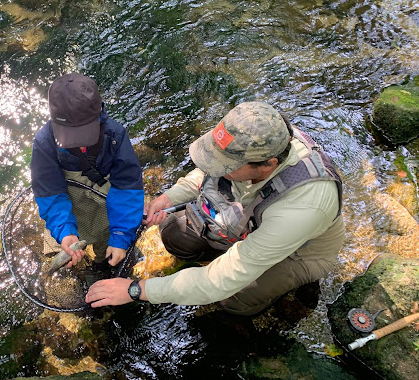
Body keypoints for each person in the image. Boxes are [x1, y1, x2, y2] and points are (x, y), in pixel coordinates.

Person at [86, 101, 344, 315]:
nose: (218, 167)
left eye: (227, 165)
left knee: (235, 296)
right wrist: (168, 198)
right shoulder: (258, 136)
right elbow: (207, 171)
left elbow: (222, 280)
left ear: (268, 165)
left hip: (297, 254)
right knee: (174, 233)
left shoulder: (302, 207)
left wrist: (136, 290)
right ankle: (215, 261)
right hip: (252, 225)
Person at [31, 72, 144, 270]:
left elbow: (127, 189)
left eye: (84, 132)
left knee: (108, 251)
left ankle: (101, 266)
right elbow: (50, 194)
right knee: (62, 256)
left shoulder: (115, 135)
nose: (80, 142)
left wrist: (120, 236)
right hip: (69, 203)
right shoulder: (44, 143)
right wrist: (66, 232)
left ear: (100, 110)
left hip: (103, 206)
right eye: (71, 135)